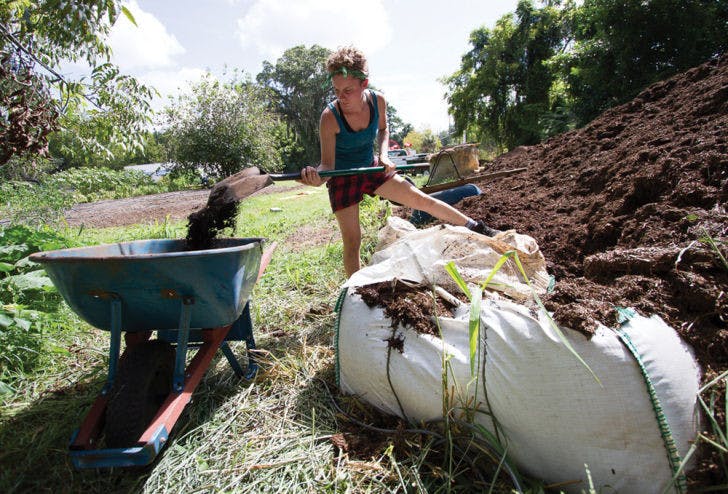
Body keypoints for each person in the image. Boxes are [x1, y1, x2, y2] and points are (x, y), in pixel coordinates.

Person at [299, 46, 497, 277]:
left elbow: (383, 130)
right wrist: (316, 178)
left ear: (364, 84)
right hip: (342, 176)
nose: (340, 97)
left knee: (421, 199)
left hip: (371, 166)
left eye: (348, 90)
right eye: (336, 90)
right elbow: (327, 166)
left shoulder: (377, 101)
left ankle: (477, 227)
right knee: (353, 241)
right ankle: (354, 293)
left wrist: (384, 155)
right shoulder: (329, 117)